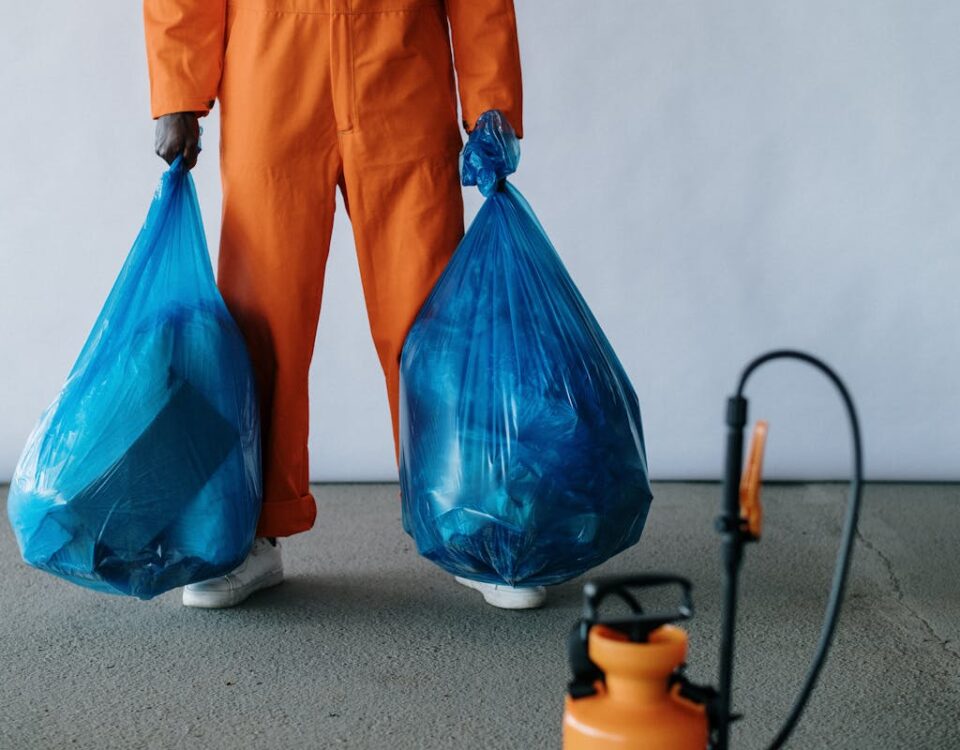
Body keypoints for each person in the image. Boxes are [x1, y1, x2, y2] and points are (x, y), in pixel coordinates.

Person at [143, 0, 546, 609]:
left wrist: (490, 95)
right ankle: (252, 528)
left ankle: (473, 521)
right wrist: (177, 87)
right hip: (271, 61)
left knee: (431, 312)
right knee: (261, 314)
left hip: (401, 59)